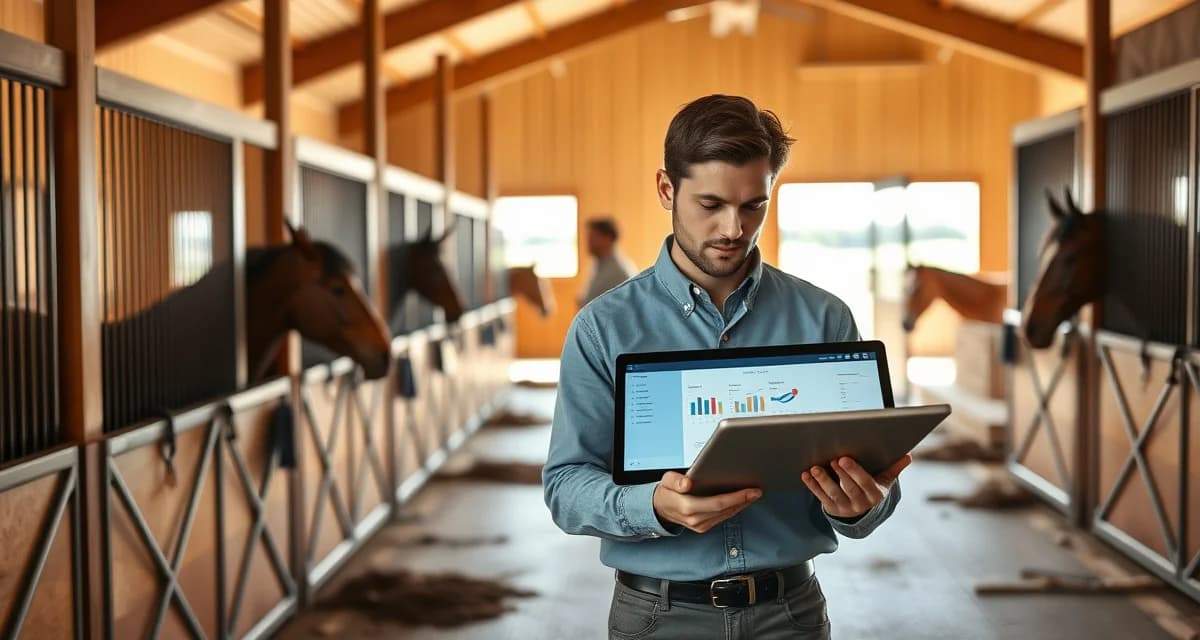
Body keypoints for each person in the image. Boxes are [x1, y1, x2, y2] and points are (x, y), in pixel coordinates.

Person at [543, 94, 911, 639]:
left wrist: (860, 507)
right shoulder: (603, 328)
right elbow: (565, 486)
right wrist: (654, 506)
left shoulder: (825, 317)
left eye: (752, 206)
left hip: (791, 614)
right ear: (667, 189)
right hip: (656, 619)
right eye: (710, 204)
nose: (733, 228)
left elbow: (873, 484)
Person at [578, 217, 638, 308]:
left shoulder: (619, 271)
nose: (588, 241)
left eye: (593, 237)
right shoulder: (597, 265)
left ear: (607, 238)